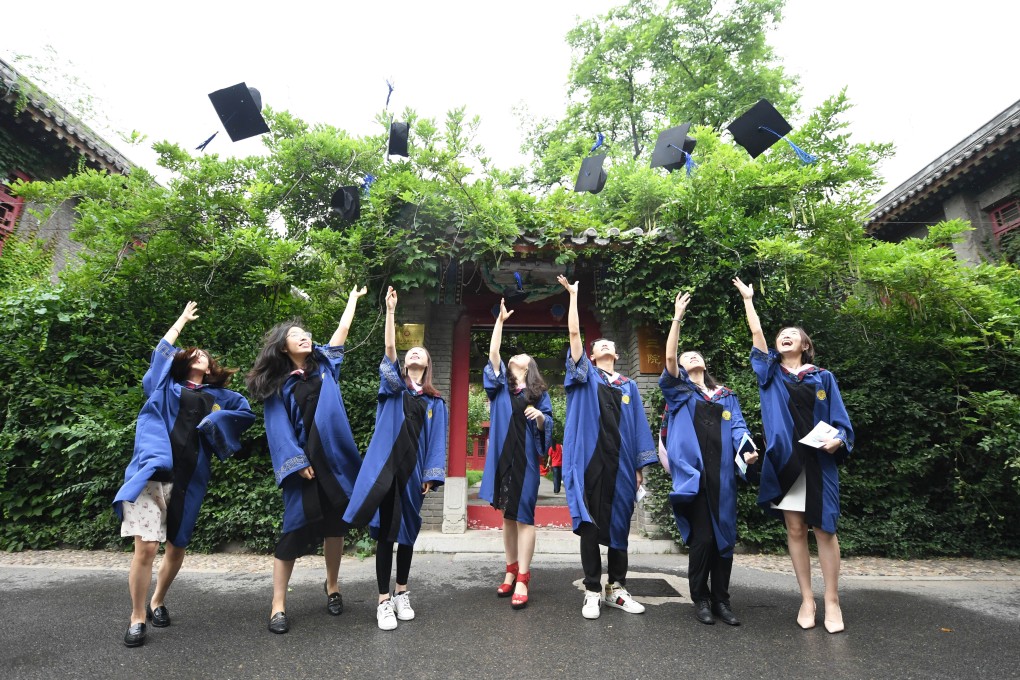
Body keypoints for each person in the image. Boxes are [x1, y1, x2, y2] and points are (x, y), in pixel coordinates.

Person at [114, 301, 255, 648]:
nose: (198, 356)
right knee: (146, 549)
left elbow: (244, 412)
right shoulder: (164, 389)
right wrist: (180, 322)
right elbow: (158, 361)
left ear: (209, 368)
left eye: (203, 354)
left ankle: (157, 599)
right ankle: (137, 618)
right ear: (182, 361)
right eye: (192, 353)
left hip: (190, 480)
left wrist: (214, 422)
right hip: (151, 476)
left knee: (177, 547)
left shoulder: (217, 397)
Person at [733, 277, 854, 633]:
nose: (785, 336)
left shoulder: (823, 377)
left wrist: (839, 441)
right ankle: (807, 599)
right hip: (786, 461)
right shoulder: (769, 374)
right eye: (780, 334)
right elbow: (756, 337)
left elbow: (841, 424)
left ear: (805, 344)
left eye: (792, 334)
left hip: (819, 462)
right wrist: (748, 301)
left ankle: (832, 600)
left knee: (825, 530)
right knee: (796, 529)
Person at [246, 286, 367, 635]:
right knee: (292, 533)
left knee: (335, 528)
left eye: (307, 335)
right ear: (283, 346)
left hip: (333, 463)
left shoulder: (326, 368)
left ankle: (332, 586)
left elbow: (341, 335)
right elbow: (278, 428)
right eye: (297, 336)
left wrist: (352, 301)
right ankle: (278, 604)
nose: (305, 339)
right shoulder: (277, 384)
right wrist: (296, 462)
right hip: (304, 466)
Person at [343, 287, 448, 631]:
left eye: (421, 353)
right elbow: (389, 350)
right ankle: (383, 601)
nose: (414, 355)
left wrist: (431, 475)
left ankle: (402, 592)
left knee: (408, 534)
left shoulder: (435, 402)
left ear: (427, 365)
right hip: (389, 471)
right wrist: (391, 312)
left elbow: (436, 442)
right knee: (387, 535)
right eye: (410, 353)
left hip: (414, 474)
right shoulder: (393, 389)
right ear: (405, 364)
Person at [556, 275, 658, 620]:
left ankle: (616, 588)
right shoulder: (584, 377)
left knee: (618, 525)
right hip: (589, 461)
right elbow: (573, 336)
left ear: (616, 353)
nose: (603, 348)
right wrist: (573, 297)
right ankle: (591, 589)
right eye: (597, 345)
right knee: (589, 523)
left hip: (622, 463)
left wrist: (640, 466)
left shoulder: (629, 385)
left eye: (607, 345)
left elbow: (637, 427)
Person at [659, 290, 759, 626]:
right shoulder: (679, 394)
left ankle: (722, 600)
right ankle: (700, 598)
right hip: (694, 476)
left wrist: (747, 450)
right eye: (688, 357)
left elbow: (739, 428)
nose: (692, 358)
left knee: (724, 539)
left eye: (696, 355)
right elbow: (670, 360)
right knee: (703, 539)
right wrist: (676, 318)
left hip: (723, 477)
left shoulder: (725, 396)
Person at [479, 299, 554, 609]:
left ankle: (523, 577)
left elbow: (548, 422)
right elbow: (494, 353)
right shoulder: (499, 387)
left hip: (525, 461)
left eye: (522, 355)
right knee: (507, 519)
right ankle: (510, 572)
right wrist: (499, 321)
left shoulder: (538, 393)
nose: (515, 355)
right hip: (502, 460)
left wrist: (539, 416)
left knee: (524, 517)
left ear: (529, 365)